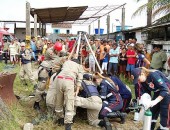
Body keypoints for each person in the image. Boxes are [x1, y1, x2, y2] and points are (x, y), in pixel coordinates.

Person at [52, 58, 83, 130]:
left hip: (59, 79)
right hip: (69, 81)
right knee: (69, 103)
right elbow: (80, 79)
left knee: (59, 101)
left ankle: (60, 119)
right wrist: (77, 91)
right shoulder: (79, 66)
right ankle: (68, 126)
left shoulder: (66, 62)